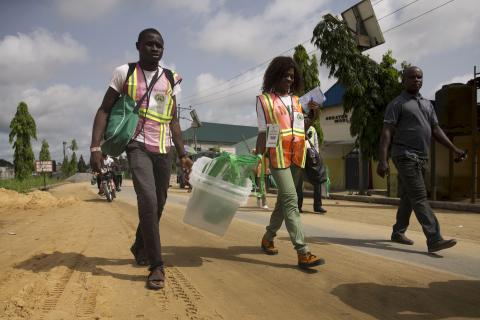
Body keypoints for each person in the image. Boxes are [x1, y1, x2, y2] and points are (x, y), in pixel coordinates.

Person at [90, 28, 193, 290]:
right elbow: (104, 110)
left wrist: (183, 154)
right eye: (149, 44)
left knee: (158, 203)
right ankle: (156, 265)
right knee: (147, 199)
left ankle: (139, 244)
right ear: (138, 46)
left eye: (159, 45)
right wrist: (95, 147)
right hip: (136, 145)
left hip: (164, 149)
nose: (155, 48)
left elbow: (174, 121)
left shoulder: (172, 78)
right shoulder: (124, 73)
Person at [377, 66, 467, 253]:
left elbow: (436, 130)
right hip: (404, 155)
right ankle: (434, 238)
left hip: (421, 157)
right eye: (412, 77)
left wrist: (454, 149)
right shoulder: (397, 104)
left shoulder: (427, 105)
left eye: (419, 77)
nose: (416, 80)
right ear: (404, 80)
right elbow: (386, 132)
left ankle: (398, 232)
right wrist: (383, 159)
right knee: (419, 196)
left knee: (409, 197)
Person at [255, 56, 324, 269]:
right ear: (274, 76)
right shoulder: (264, 100)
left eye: (292, 76)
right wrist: (258, 159)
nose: (289, 79)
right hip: (277, 157)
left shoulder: (296, 101)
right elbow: (261, 133)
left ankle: (267, 238)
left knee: (283, 203)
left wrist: (313, 115)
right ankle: (303, 252)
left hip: (297, 155)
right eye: (285, 75)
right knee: (291, 200)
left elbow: (300, 129)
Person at [296, 125, 327, 214]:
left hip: (311, 157)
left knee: (318, 180)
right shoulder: (297, 126)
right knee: (299, 182)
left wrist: (316, 157)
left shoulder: (313, 129)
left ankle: (318, 206)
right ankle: (298, 206)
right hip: (300, 157)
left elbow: (316, 143)